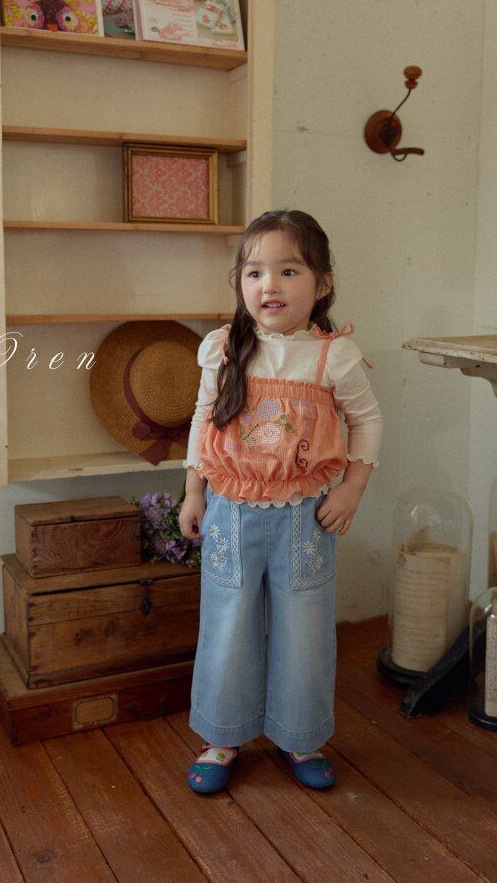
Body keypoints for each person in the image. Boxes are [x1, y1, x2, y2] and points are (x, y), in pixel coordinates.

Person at [178, 209, 383, 794]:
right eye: (254, 273)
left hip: (304, 518)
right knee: (227, 622)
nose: (269, 285)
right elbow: (203, 420)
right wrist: (193, 490)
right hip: (230, 512)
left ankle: (301, 735)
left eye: (288, 271)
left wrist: (352, 488)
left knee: (305, 629)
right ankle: (222, 735)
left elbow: (368, 421)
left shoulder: (332, 356)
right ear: (240, 283)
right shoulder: (222, 350)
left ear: (322, 284)